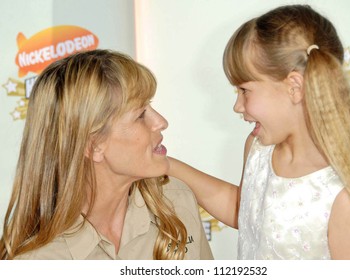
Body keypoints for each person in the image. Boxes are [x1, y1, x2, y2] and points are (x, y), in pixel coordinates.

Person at [168, 4, 350, 259]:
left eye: (244, 90)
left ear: (295, 87)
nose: (237, 106)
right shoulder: (258, 148)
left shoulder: (347, 201)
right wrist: (168, 166)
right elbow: (246, 212)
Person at [0, 49, 213, 260]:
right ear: (93, 146)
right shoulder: (39, 263)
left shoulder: (177, 202)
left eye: (151, 106)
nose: (161, 122)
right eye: (140, 115)